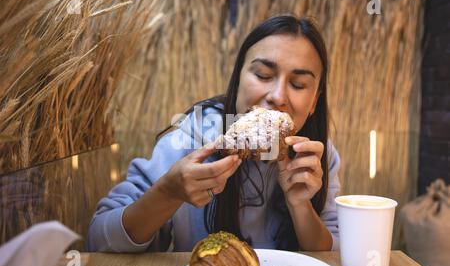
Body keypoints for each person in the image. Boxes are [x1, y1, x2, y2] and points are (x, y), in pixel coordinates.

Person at [87, 14, 341, 253]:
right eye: (263, 75)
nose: (277, 96)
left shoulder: (316, 156)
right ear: (238, 79)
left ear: (314, 103)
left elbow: (335, 252)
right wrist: (168, 193)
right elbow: (99, 240)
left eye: (298, 84)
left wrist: (300, 205)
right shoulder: (192, 137)